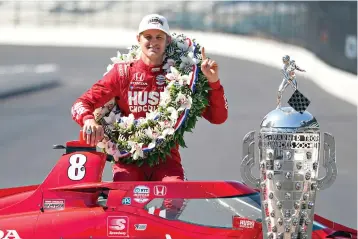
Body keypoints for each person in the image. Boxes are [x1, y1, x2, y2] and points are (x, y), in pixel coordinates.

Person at [70, 14, 228, 218]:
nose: (153, 42)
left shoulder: (184, 77)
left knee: (177, 197)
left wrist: (214, 83)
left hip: (167, 163)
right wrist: (89, 120)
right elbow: (80, 104)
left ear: (167, 41)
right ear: (138, 39)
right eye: (148, 36)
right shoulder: (122, 73)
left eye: (159, 37)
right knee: (123, 211)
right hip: (129, 162)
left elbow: (218, 117)